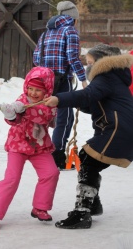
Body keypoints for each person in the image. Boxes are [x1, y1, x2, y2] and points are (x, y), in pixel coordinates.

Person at [44, 44, 133, 229]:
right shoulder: (114, 78)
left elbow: (88, 95)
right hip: (121, 129)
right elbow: (94, 102)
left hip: (118, 130)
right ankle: (92, 204)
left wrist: (60, 99)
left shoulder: (106, 76)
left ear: (102, 61)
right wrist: (73, 103)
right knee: (87, 160)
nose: (88, 66)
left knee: (88, 162)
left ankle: (83, 212)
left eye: (91, 62)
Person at [0, 66, 60, 230]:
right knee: (11, 179)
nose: (33, 93)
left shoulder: (50, 103)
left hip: (39, 146)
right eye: (30, 88)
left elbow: (45, 116)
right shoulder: (22, 99)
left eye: (38, 90)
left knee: (51, 173)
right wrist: (11, 115)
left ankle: (40, 207)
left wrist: (26, 111)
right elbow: (15, 120)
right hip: (18, 144)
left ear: (46, 91)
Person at [33, 1, 87, 170]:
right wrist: (83, 78)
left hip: (45, 80)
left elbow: (35, 57)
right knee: (65, 118)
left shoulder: (46, 32)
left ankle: (41, 151)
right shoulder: (70, 31)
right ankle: (57, 155)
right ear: (73, 18)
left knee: (45, 116)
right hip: (62, 80)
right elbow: (72, 57)